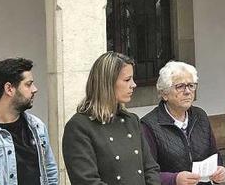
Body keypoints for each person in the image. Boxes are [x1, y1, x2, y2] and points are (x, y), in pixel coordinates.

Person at [62, 52, 160, 185]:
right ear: (107, 83)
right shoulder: (79, 127)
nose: (133, 85)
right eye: (127, 80)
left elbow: (150, 169)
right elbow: (86, 180)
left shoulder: (132, 121)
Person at [0, 58, 58, 185]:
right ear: (9, 89)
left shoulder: (37, 126)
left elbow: (50, 171)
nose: (35, 89)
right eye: (28, 84)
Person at [141, 61, 225, 185]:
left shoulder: (200, 116)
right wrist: (174, 179)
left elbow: (214, 154)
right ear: (164, 93)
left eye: (191, 85)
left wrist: (219, 169)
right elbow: (146, 173)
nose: (187, 91)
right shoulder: (149, 125)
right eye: (180, 86)